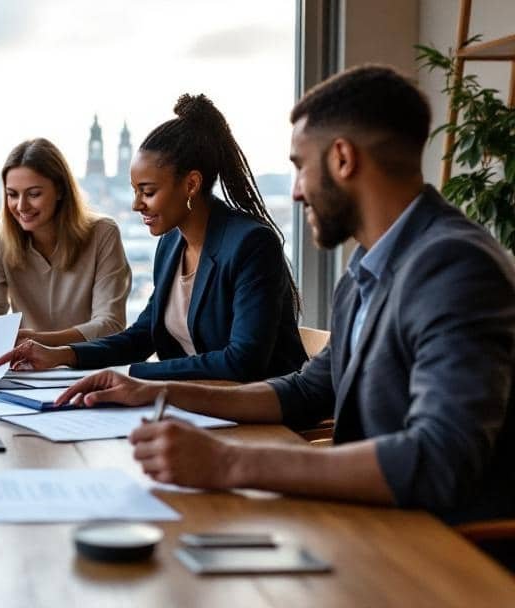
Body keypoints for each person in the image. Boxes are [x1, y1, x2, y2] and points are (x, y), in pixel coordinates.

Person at [57, 66, 515, 547]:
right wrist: (153, 392)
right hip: (367, 524)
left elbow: (440, 459)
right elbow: (303, 391)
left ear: (342, 158)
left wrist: (231, 462)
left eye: (300, 165)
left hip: (438, 552)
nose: (295, 190)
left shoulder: (456, 267)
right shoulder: (366, 266)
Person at [0, 95, 306, 381]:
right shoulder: (171, 245)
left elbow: (243, 361)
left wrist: (134, 375)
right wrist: (61, 355)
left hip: (255, 414)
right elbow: (142, 336)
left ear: (191, 184)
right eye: (135, 191)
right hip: (197, 407)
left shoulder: (250, 244)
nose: (136, 204)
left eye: (148, 191)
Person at [0, 138, 131, 346]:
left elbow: (110, 324)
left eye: (34, 194)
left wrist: (40, 342)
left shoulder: (103, 233)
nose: (21, 206)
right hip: (25, 365)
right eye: (12, 194)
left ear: (59, 190)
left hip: (88, 365)